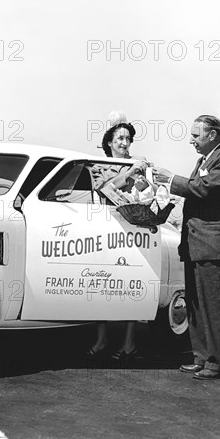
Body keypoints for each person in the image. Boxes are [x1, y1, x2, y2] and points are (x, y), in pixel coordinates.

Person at [153, 115, 220, 380]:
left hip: (214, 244)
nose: (191, 140)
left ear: (213, 135)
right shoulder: (203, 161)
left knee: (214, 306)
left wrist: (171, 180)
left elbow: (205, 189)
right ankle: (202, 357)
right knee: (196, 306)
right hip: (197, 244)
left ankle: (217, 362)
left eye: (195, 135)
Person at [87, 112, 148, 363]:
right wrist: (130, 173)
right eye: (120, 138)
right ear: (109, 142)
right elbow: (104, 189)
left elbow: (146, 193)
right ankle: (101, 340)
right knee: (100, 284)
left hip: (132, 229)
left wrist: (143, 180)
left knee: (130, 284)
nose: (125, 143)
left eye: (128, 138)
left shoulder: (139, 164)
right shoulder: (97, 165)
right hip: (105, 228)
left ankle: (129, 343)